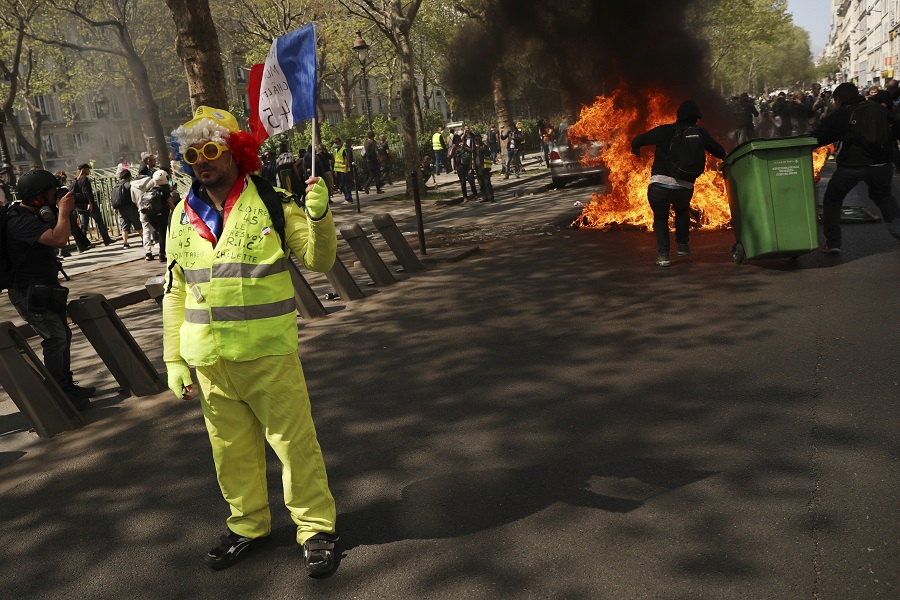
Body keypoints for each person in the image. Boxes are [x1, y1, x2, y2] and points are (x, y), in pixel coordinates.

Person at [163, 106, 339, 576]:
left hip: (267, 353)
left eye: (212, 149)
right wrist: (173, 359)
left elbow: (320, 262)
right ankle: (248, 526)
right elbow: (175, 289)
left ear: (236, 152)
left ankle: (315, 528)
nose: (203, 160)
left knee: (293, 444)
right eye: (193, 153)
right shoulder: (180, 215)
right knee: (230, 450)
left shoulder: (273, 201)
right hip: (209, 360)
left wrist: (320, 217)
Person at [7, 170, 96, 408]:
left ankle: (66, 385)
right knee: (54, 339)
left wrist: (64, 210)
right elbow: (58, 239)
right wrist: (64, 211)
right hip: (28, 292)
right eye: (51, 192)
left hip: (45, 288)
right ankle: (61, 395)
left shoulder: (37, 215)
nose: (55, 195)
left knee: (62, 336)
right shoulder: (20, 221)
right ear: (38, 197)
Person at [631, 99, 726, 267]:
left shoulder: (664, 131)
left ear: (678, 116)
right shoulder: (700, 133)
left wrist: (635, 149)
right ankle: (682, 246)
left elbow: (638, 140)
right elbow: (720, 151)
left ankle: (663, 256)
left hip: (659, 186)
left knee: (660, 219)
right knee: (681, 210)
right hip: (684, 187)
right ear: (696, 118)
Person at [810, 82, 900, 253]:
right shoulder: (879, 109)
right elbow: (896, 130)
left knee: (833, 199)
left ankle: (833, 243)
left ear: (838, 99)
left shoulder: (843, 114)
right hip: (882, 164)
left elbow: (818, 138)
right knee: (884, 197)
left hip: (852, 165)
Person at [72, 163, 113, 246]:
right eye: (88, 169)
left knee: (84, 225)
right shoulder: (84, 180)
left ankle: (82, 243)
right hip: (89, 205)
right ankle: (106, 239)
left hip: (81, 205)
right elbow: (86, 192)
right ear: (84, 170)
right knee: (100, 222)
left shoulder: (76, 180)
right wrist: (89, 204)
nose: (89, 170)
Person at [139, 169, 174, 262]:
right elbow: (171, 205)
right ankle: (162, 254)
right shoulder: (165, 192)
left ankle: (162, 251)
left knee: (159, 233)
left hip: (151, 216)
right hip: (162, 216)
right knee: (163, 234)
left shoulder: (149, 190)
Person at [112, 169, 141, 248]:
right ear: (129, 176)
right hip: (130, 207)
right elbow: (133, 196)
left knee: (124, 226)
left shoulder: (116, 185)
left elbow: (115, 197)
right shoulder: (129, 185)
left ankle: (125, 243)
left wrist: (115, 207)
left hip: (120, 208)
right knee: (137, 223)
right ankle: (144, 239)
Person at [472, 133, 495, 202]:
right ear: (474, 140)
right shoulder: (474, 148)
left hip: (484, 168)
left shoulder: (484, 146)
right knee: (481, 184)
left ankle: (491, 197)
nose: (478, 141)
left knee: (487, 183)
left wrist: (483, 150)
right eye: (476, 140)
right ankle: (484, 197)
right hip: (477, 168)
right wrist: (472, 168)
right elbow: (472, 158)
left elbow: (489, 153)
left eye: (479, 139)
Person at [332, 137, 354, 204]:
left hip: (343, 170)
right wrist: (335, 170)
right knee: (343, 184)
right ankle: (347, 198)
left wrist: (346, 169)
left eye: (336, 142)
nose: (335, 144)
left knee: (346, 185)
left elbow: (346, 159)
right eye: (334, 142)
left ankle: (349, 199)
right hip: (339, 170)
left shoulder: (343, 149)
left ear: (340, 142)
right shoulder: (336, 150)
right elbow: (336, 160)